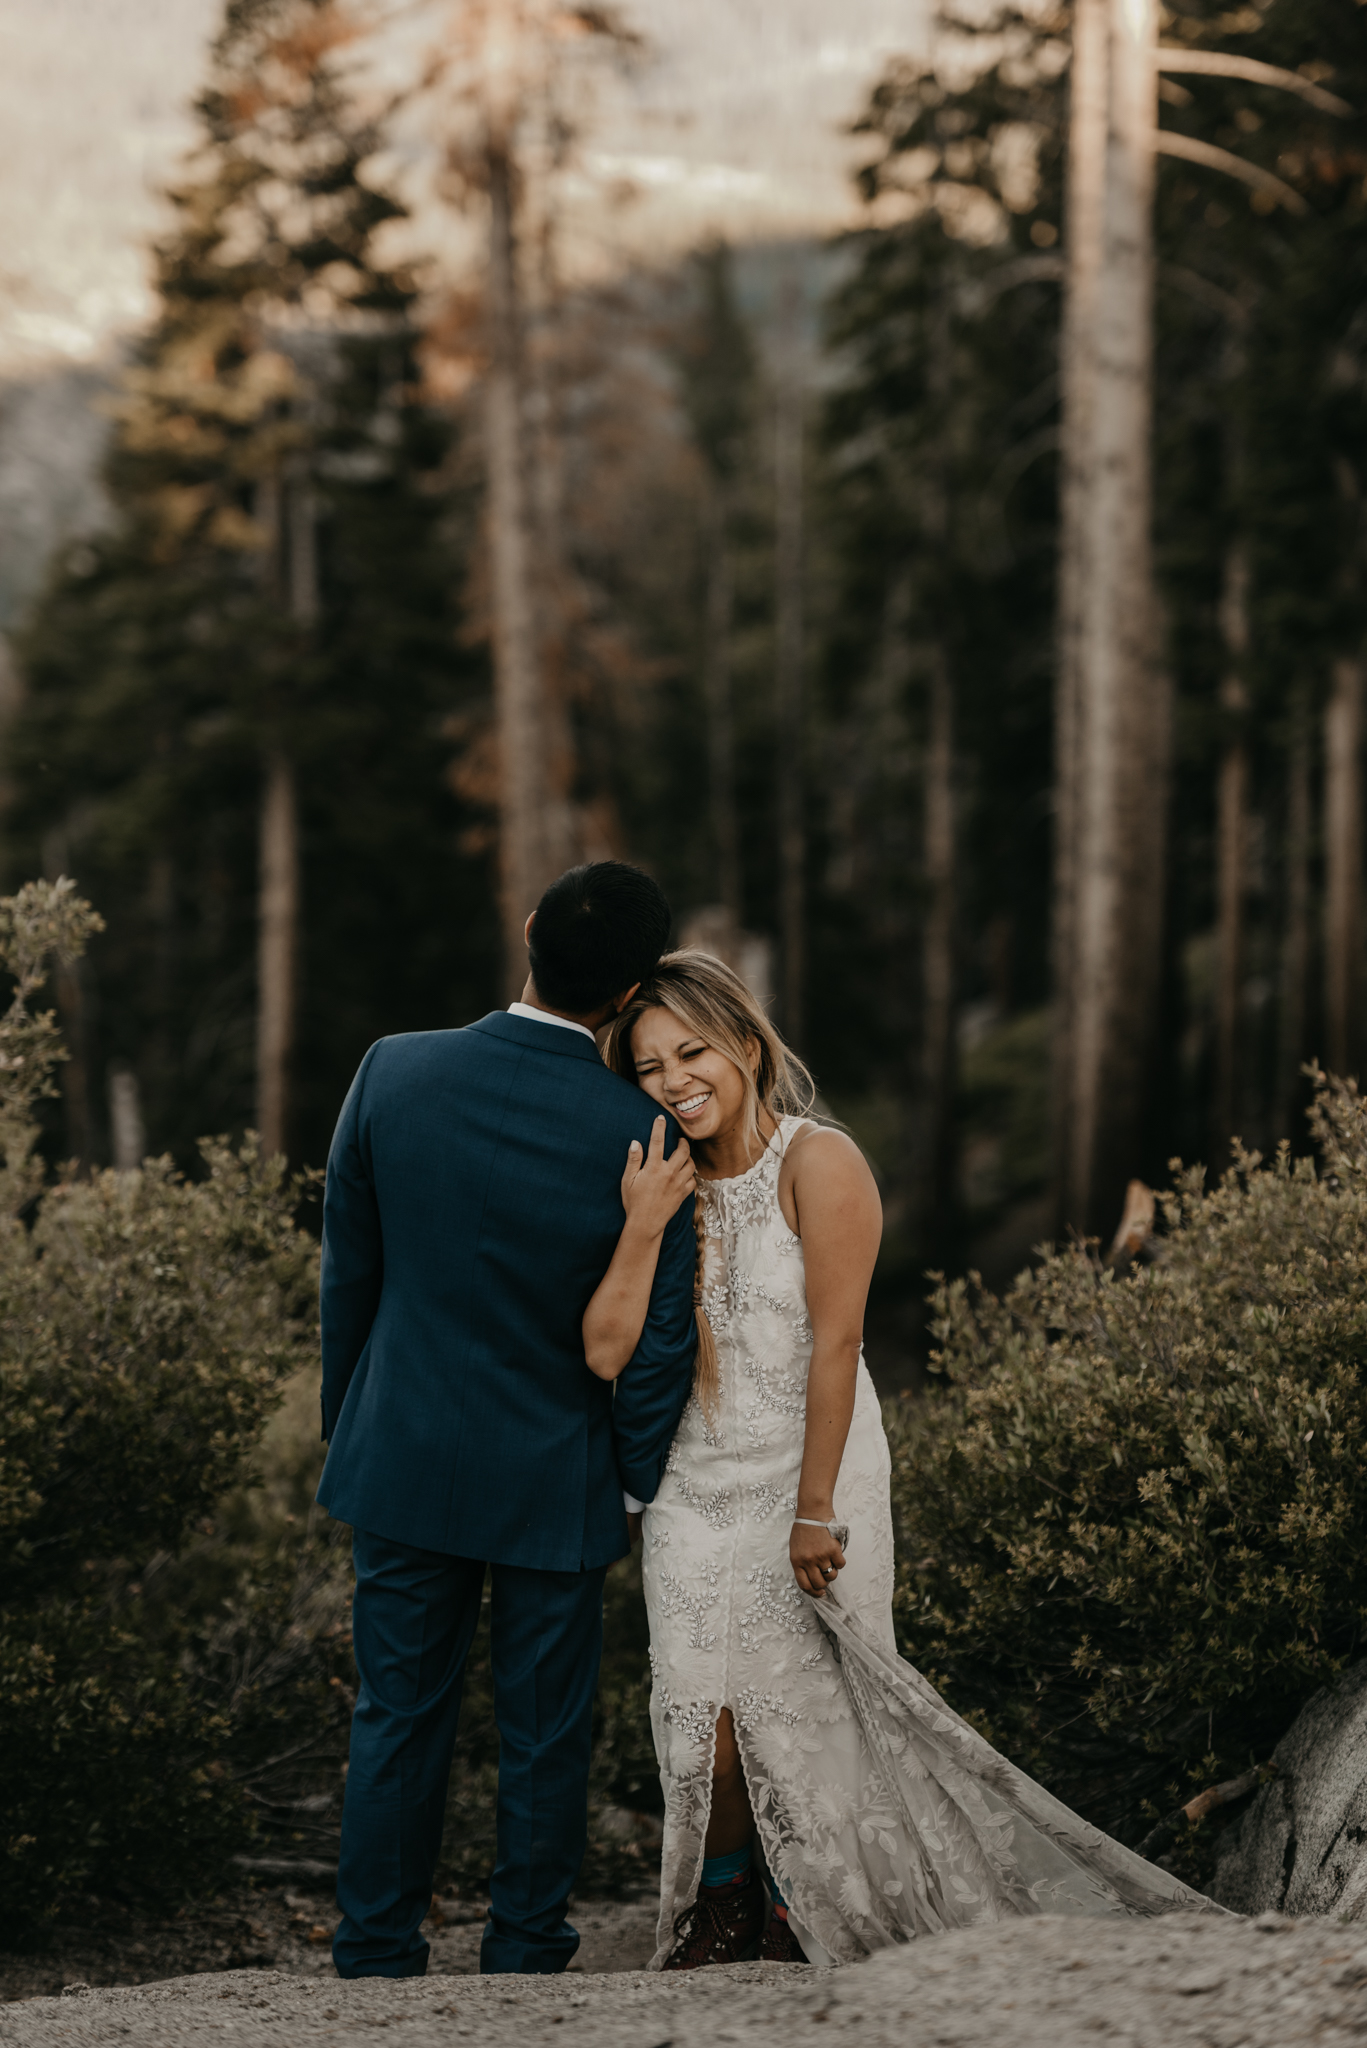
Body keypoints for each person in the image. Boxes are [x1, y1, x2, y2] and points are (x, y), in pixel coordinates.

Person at [591, 949, 1222, 1971]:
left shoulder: (817, 1159)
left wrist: (811, 1509)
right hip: (689, 1483)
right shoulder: (658, 1180)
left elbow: (836, 1346)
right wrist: (641, 1223)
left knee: (805, 1704)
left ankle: (805, 1899)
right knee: (696, 1711)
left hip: (810, 1468)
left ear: (746, 1046)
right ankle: (722, 1900)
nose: (671, 1080)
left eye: (691, 1050)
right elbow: (607, 1351)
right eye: (648, 1066)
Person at [317, 862, 698, 1980]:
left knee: (396, 1713)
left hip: (400, 1452)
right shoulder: (647, 1131)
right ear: (630, 991)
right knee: (544, 1730)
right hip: (558, 1469)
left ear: (529, 929)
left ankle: (375, 1951)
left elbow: (352, 1275)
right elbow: (655, 1339)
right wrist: (632, 1481)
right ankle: (524, 1952)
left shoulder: (392, 1070)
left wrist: (355, 1424)